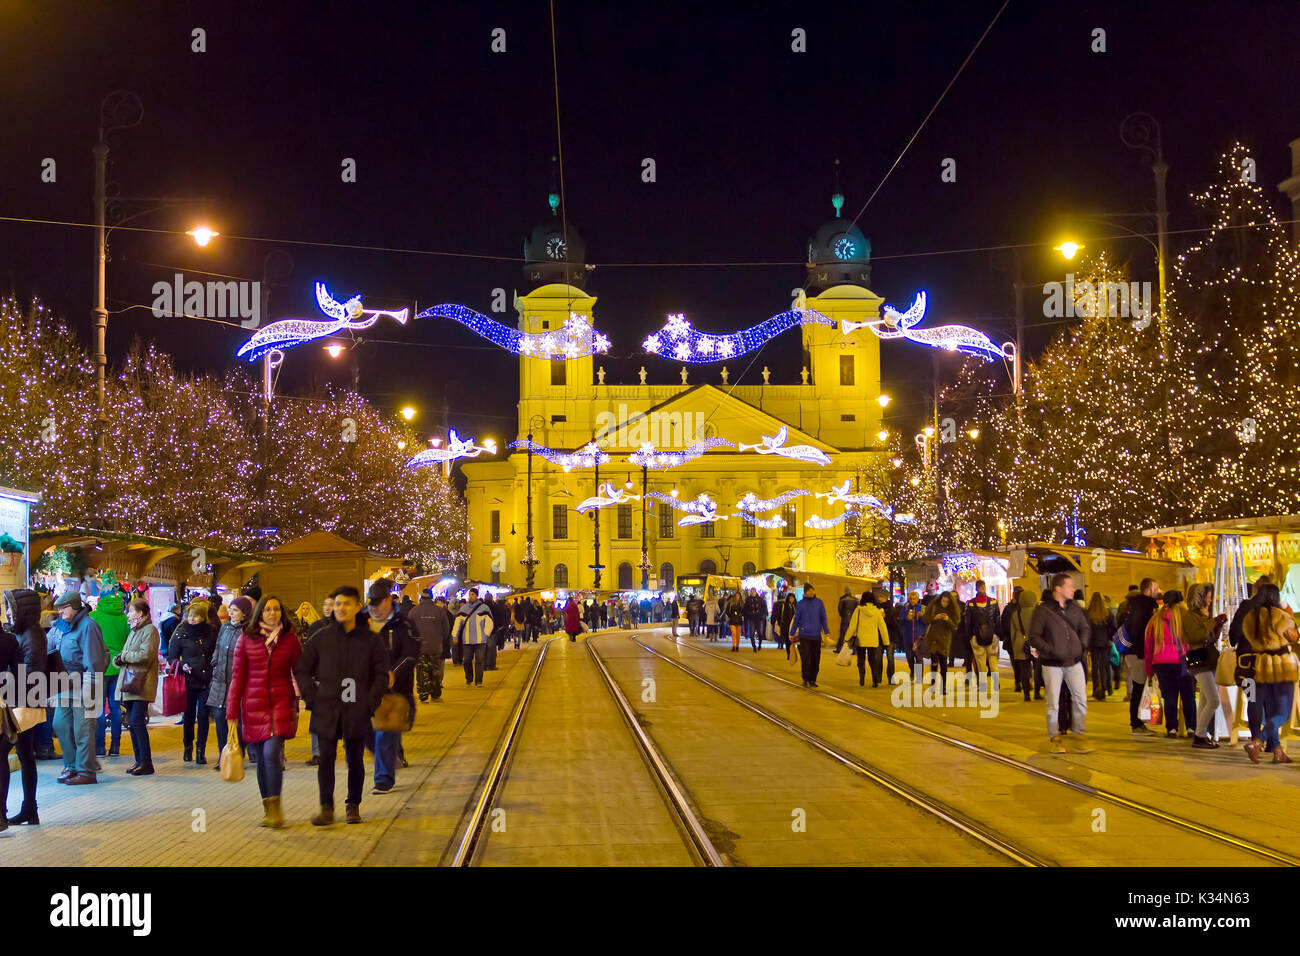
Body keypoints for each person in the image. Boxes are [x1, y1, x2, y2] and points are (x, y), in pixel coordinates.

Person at [227, 593, 303, 827]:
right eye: (268, 609)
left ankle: (276, 807)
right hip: (253, 704)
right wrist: (231, 711)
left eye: (276, 609)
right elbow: (238, 677)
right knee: (260, 759)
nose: (272, 613)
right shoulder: (246, 639)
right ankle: (268, 807)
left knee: (272, 754)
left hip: (281, 703)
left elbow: (301, 670)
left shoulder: (290, 640)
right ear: (260, 612)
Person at [363, 579, 420, 794]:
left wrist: (393, 673)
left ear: (389, 600)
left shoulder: (404, 625)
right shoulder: (360, 623)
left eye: (378, 603)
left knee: (385, 733)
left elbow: (411, 654)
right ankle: (389, 756)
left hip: (395, 693)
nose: (373, 608)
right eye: (371, 604)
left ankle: (383, 779)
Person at [1027, 572, 1092, 754]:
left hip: (1074, 661)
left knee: (1080, 699)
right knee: (1053, 703)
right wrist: (1050, 649)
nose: (1073, 589)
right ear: (1058, 588)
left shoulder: (1074, 608)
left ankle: (1080, 734)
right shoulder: (1043, 610)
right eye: (1069, 586)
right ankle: (1055, 737)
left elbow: (1085, 628)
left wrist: (1082, 645)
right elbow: (1033, 636)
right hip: (1052, 664)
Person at [49, 592, 108, 785]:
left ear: (74, 606)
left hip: (83, 682)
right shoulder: (60, 626)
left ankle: (86, 771)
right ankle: (71, 766)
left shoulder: (88, 626)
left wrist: (90, 688)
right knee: (60, 725)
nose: (60, 611)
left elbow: (95, 660)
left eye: (63, 607)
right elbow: (48, 645)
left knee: (83, 729)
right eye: (58, 608)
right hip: (63, 683)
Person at [1238, 583, 1298, 765]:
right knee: (1283, 713)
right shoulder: (1279, 615)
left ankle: (1278, 751)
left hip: (1262, 666)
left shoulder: (1251, 617)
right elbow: (1294, 636)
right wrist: (1290, 614)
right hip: (1281, 667)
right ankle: (1257, 741)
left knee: (1271, 710)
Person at [2, 588, 47, 825]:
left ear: (23, 610)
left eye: (11, 608)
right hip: (25, 702)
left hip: (24, 704)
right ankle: (30, 808)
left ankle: (25, 808)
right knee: (25, 756)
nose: (8, 613)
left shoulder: (31, 636)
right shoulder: (27, 633)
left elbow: (30, 674)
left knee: (18, 754)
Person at [166, 600, 216, 764]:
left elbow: (216, 654)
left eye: (196, 617)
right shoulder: (181, 633)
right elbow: (171, 657)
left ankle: (201, 749)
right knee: (188, 716)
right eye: (190, 616)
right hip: (187, 680)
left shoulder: (211, 632)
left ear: (203, 618)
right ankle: (188, 747)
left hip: (206, 680)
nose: (192, 619)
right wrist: (181, 665)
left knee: (203, 716)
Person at [115, 597, 160, 777]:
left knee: (137, 722)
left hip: (142, 682)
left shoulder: (150, 630)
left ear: (140, 613)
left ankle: (146, 762)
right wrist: (119, 658)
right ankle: (139, 761)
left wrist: (124, 656)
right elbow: (128, 653)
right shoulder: (134, 630)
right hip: (131, 683)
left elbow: (146, 654)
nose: (128, 614)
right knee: (132, 725)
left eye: (131, 611)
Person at [1228, 575, 1272, 751]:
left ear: (1255, 588)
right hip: (1269, 662)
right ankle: (1271, 743)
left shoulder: (1246, 606)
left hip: (1247, 662)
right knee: (1269, 701)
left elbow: (1234, 634)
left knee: (1253, 699)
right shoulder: (1274, 609)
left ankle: (1255, 739)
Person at [208, 596, 251, 770]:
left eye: (235, 610)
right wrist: (215, 662)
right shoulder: (224, 628)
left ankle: (237, 753)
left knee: (238, 718)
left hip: (238, 681)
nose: (231, 613)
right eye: (230, 609)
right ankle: (222, 754)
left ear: (244, 613)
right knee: (219, 716)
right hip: (220, 679)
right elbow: (218, 646)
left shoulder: (248, 631)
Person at [1144, 591, 1195, 739]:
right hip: (1182, 662)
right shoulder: (1185, 617)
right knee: (1188, 697)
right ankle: (1192, 727)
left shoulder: (1155, 620)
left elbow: (1148, 647)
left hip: (1161, 663)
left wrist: (1149, 670)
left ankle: (1171, 729)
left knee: (1170, 697)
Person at [1182, 583, 1226, 749]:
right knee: (1214, 700)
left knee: (1206, 700)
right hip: (1199, 661)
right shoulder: (1189, 616)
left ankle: (1200, 734)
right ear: (1198, 598)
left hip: (1209, 658)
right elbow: (1196, 635)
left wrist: (1218, 625)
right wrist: (1212, 622)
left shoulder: (1205, 615)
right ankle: (1199, 735)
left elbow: (1211, 637)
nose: (1209, 601)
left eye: (1210, 598)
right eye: (1206, 598)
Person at [90, 590, 129, 758]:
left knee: (98, 708)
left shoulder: (94, 616)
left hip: (100, 665)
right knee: (115, 707)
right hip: (119, 667)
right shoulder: (125, 619)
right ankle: (115, 747)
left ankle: (99, 748)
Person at [1122, 578, 1161, 735]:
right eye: (1156, 588)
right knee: (1138, 687)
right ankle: (1136, 723)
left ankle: (1137, 722)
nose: (1158, 591)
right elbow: (1138, 631)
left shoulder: (1134, 604)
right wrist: (1141, 653)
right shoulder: (1142, 606)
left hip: (1134, 652)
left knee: (1139, 686)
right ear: (1148, 589)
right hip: (1138, 653)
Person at [411, 590, 451, 702]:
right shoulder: (440, 611)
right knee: (435, 670)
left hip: (420, 647)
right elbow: (446, 630)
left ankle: (423, 694)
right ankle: (435, 694)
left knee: (421, 670)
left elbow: (409, 629)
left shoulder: (414, 611)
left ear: (421, 599)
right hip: (436, 646)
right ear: (432, 598)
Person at [844, 591, 890, 687]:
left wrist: (846, 638)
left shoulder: (859, 610)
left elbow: (852, 625)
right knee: (872, 660)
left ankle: (862, 676)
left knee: (861, 659)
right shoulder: (877, 611)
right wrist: (886, 641)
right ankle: (874, 680)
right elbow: (882, 627)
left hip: (861, 639)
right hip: (873, 640)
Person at [965, 579, 1000, 693]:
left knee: (981, 664)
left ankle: (983, 686)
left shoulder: (970, 603)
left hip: (976, 636)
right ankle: (995, 684)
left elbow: (967, 622)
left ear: (976, 588)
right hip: (992, 636)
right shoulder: (993, 602)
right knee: (993, 663)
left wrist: (970, 636)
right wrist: (998, 634)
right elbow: (997, 619)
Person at [455, 587, 496, 683]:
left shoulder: (484, 608)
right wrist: (455, 635)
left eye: (473, 594)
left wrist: (486, 634)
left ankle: (478, 680)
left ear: (477, 596)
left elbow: (489, 622)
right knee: (467, 661)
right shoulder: (463, 608)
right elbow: (458, 623)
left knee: (480, 661)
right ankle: (469, 678)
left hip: (480, 639)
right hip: (467, 640)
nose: (471, 596)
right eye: (470, 594)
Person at [792, 585, 829, 687]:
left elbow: (823, 617)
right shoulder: (800, 604)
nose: (812, 593)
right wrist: (792, 632)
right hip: (804, 635)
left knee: (815, 658)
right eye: (810, 591)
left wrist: (826, 630)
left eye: (813, 590)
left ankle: (812, 679)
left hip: (816, 635)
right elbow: (796, 619)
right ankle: (805, 677)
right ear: (805, 592)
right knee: (805, 658)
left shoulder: (819, 603)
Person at [1008, 588, 1040, 701]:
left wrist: (1014, 645)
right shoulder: (1038, 613)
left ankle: (1026, 694)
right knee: (1037, 669)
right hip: (1036, 644)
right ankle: (1037, 692)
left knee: (1024, 671)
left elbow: (1012, 633)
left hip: (1020, 644)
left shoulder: (1015, 614)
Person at [1085, 593, 1115, 700]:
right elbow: (1113, 628)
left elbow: (1086, 630)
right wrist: (1110, 637)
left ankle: (1095, 689)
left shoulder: (1088, 613)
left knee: (1095, 667)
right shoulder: (1108, 613)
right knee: (1105, 666)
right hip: (1106, 643)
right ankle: (1107, 688)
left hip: (1093, 644)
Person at [898, 591, 927, 681]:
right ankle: (912, 671)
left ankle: (918, 676)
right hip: (907, 637)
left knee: (918, 657)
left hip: (919, 638)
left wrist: (922, 617)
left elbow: (928, 621)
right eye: (911, 598)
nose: (912, 600)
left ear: (918, 599)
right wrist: (906, 618)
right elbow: (900, 621)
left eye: (914, 598)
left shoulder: (923, 608)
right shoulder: (905, 608)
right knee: (909, 657)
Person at [875, 589, 902, 685]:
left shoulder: (892, 609)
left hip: (890, 637)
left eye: (881, 596)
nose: (879, 598)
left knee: (890, 658)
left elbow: (895, 624)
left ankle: (891, 677)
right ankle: (878, 677)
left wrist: (886, 617)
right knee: (878, 657)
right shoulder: (876, 608)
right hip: (879, 637)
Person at [773, 592, 796, 659]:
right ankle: (788, 654)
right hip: (786, 627)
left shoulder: (795, 606)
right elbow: (779, 616)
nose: (791, 599)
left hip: (793, 627)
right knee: (787, 641)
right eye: (790, 598)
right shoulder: (784, 606)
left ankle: (792, 654)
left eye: (793, 598)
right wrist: (781, 624)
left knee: (792, 642)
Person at [835, 586, 857, 653]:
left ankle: (839, 649)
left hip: (845, 618)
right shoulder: (855, 599)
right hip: (853, 618)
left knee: (842, 634)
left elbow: (839, 609)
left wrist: (842, 615)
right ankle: (855, 650)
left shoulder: (842, 599)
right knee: (853, 634)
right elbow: (857, 609)